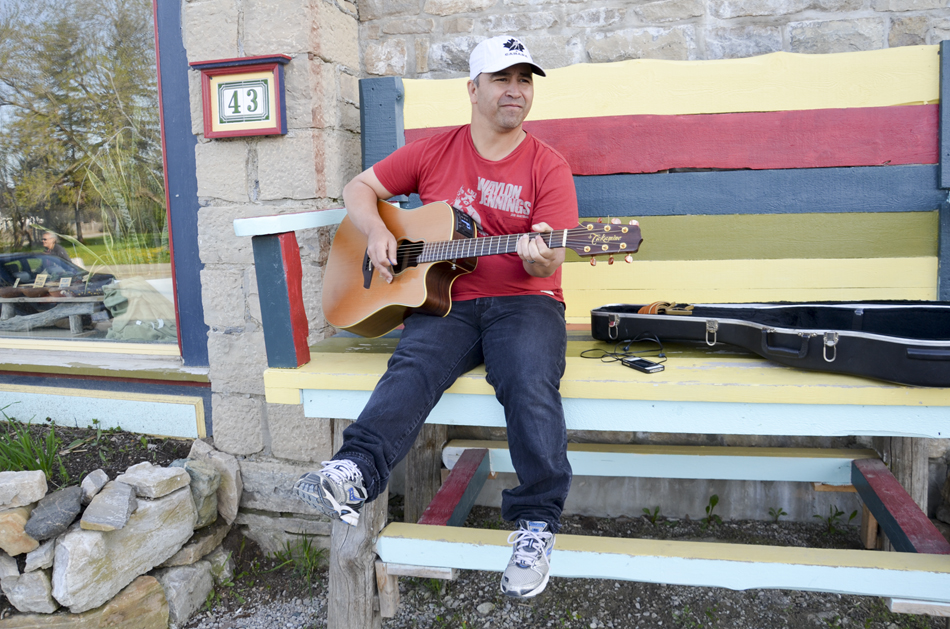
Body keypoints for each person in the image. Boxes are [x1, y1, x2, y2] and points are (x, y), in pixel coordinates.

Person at [293, 35, 578, 599]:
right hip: (444, 303)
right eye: (502, 79)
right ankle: (353, 472)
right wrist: (378, 228)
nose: (515, 91)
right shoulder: (433, 151)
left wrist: (543, 253)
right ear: (472, 89)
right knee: (412, 367)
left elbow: (554, 252)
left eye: (525, 80)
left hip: (526, 304)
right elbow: (360, 187)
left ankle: (537, 523)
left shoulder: (549, 165)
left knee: (527, 378)